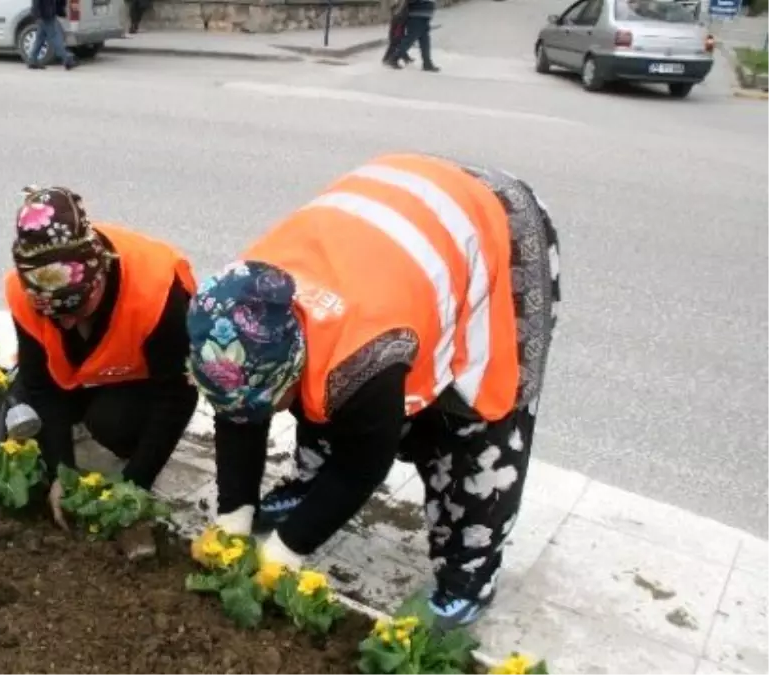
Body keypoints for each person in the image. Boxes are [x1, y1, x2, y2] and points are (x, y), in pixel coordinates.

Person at [186, 152, 561, 630]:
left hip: (491, 228)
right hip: (390, 215)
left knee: (476, 422)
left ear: (293, 362)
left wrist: (287, 549)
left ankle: (470, 578)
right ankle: (307, 491)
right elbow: (239, 415)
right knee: (325, 400)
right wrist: (232, 518)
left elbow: (363, 463)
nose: (257, 414)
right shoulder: (236, 309)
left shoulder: (363, 356)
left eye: (269, 400)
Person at [3, 186, 199, 555]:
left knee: (115, 425)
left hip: (136, 380)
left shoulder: (158, 290)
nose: (67, 322)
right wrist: (60, 472)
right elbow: (41, 384)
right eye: (55, 314)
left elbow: (178, 395)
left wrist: (133, 485)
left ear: (100, 270)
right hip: (73, 376)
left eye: (78, 308)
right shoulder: (23, 291)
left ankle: (109, 426)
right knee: (13, 423)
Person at [386, 0, 438, 71]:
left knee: (425, 41)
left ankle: (427, 63)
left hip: (425, 17)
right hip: (416, 16)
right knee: (410, 38)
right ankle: (394, 58)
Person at [28, 0, 77, 70]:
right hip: (46, 13)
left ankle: (32, 60)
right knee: (55, 37)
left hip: (46, 12)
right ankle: (66, 59)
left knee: (40, 38)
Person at [382, 0, 414, 66]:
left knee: (399, 43)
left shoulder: (402, 5)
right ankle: (386, 59)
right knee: (394, 44)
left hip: (399, 24)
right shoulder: (402, 6)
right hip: (398, 25)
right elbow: (399, 16)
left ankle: (405, 58)